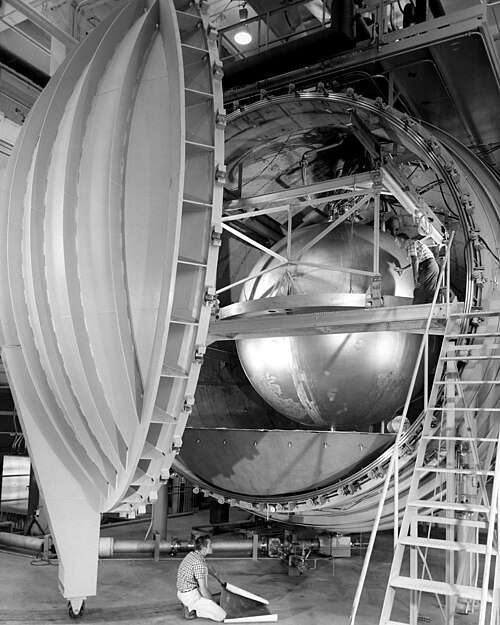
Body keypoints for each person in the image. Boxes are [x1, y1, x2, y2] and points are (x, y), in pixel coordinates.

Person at [176, 535, 227, 622]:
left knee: (205, 570)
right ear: (203, 548)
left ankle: (190, 606)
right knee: (222, 615)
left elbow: (208, 566)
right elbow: (203, 589)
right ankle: (192, 608)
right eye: (210, 545)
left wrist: (219, 578)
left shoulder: (193, 555)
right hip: (191, 596)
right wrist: (213, 604)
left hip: (182, 593)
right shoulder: (198, 564)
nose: (212, 547)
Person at [394, 232, 440, 304]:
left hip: (427, 266)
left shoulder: (409, 243)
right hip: (433, 266)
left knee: (419, 289)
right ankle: (431, 309)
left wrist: (415, 277)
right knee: (430, 291)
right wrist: (403, 269)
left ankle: (416, 310)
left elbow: (415, 259)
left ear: (402, 239)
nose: (396, 244)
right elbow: (415, 261)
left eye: (397, 242)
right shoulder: (414, 243)